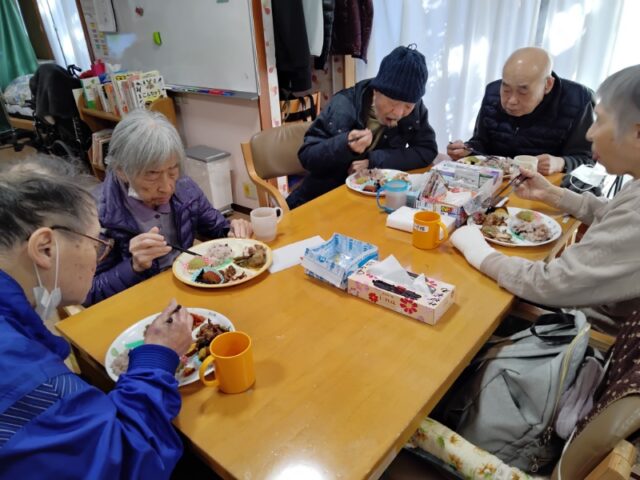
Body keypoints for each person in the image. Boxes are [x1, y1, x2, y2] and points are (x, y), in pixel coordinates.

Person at [0, 171, 193, 478]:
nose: (97, 256)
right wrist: (157, 357)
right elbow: (129, 462)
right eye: (95, 243)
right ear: (45, 248)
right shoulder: (24, 373)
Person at [450, 64, 640, 335]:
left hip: (587, 334)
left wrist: (478, 251)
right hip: (578, 308)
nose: (590, 133)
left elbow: (551, 284)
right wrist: (551, 194)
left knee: (467, 305)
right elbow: (613, 212)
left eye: (599, 121)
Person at [85, 110, 252, 305]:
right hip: (139, 303)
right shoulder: (96, 215)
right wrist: (133, 266)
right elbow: (88, 293)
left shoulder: (184, 188)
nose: (167, 187)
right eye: (152, 174)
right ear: (121, 170)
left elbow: (216, 228)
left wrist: (232, 230)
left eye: (172, 170)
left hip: (188, 286)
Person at [286, 44, 439, 209]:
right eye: (393, 103)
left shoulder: (415, 110)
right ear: (376, 91)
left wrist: (375, 160)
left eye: (408, 106)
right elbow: (307, 156)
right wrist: (345, 144)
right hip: (323, 199)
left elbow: (427, 150)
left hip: (372, 201)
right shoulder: (344, 104)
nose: (399, 113)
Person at [447, 47, 595, 176]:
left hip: (546, 189)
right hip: (497, 182)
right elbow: (482, 142)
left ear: (548, 85)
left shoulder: (579, 100)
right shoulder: (492, 92)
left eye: (523, 91)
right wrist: (467, 150)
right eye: (506, 89)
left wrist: (561, 163)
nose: (511, 100)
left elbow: (587, 160)